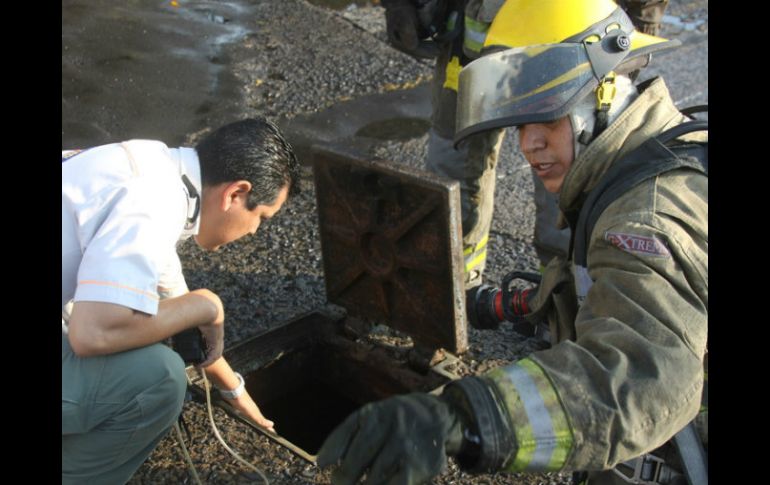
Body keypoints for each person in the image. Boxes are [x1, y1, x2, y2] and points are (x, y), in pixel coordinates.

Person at [317, 1, 707, 484]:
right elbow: (606, 290)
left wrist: (462, 418)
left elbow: (640, 379)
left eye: (545, 115)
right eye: (519, 125)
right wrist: (503, 304)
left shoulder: (642, 221)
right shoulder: (661, 150)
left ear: (603, 93)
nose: (527, 145)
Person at [62, 117, 300, 484]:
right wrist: (207, 305)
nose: (255, 231)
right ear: (236, 193)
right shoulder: (151, 203)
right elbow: (92, 334)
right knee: (159, 378)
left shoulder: (156, 168)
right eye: (262, 218)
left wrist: (234, 389)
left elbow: (175, 295)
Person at [380, 0, 670, 288]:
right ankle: (454, 289)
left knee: (568, 179)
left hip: (571, 51)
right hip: (469, 52)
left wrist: (630, 42)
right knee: (450, 172)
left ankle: (564, 297)